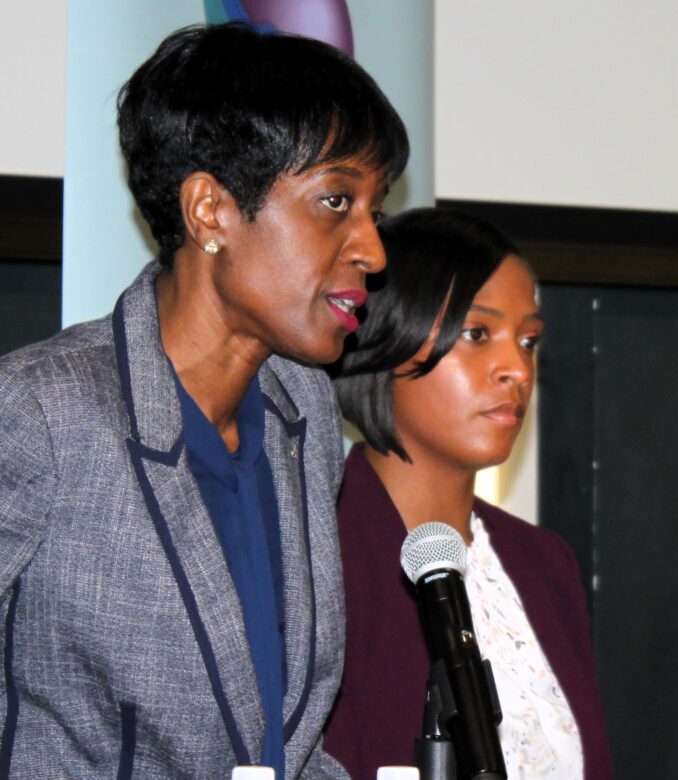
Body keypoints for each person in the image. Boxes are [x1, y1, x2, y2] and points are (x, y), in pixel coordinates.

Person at [0, 23, 407, 777]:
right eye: (335, 202)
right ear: (210, 211)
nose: (373, 251)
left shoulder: (306, 414)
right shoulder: (40, 413)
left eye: (373, 212)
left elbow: (278, 741)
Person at [324, 208, 613, 779]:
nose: (517, 370)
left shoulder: (544, 563)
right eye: (478, 334)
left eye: (529, 341)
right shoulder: (320, 551)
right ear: (389, 334)